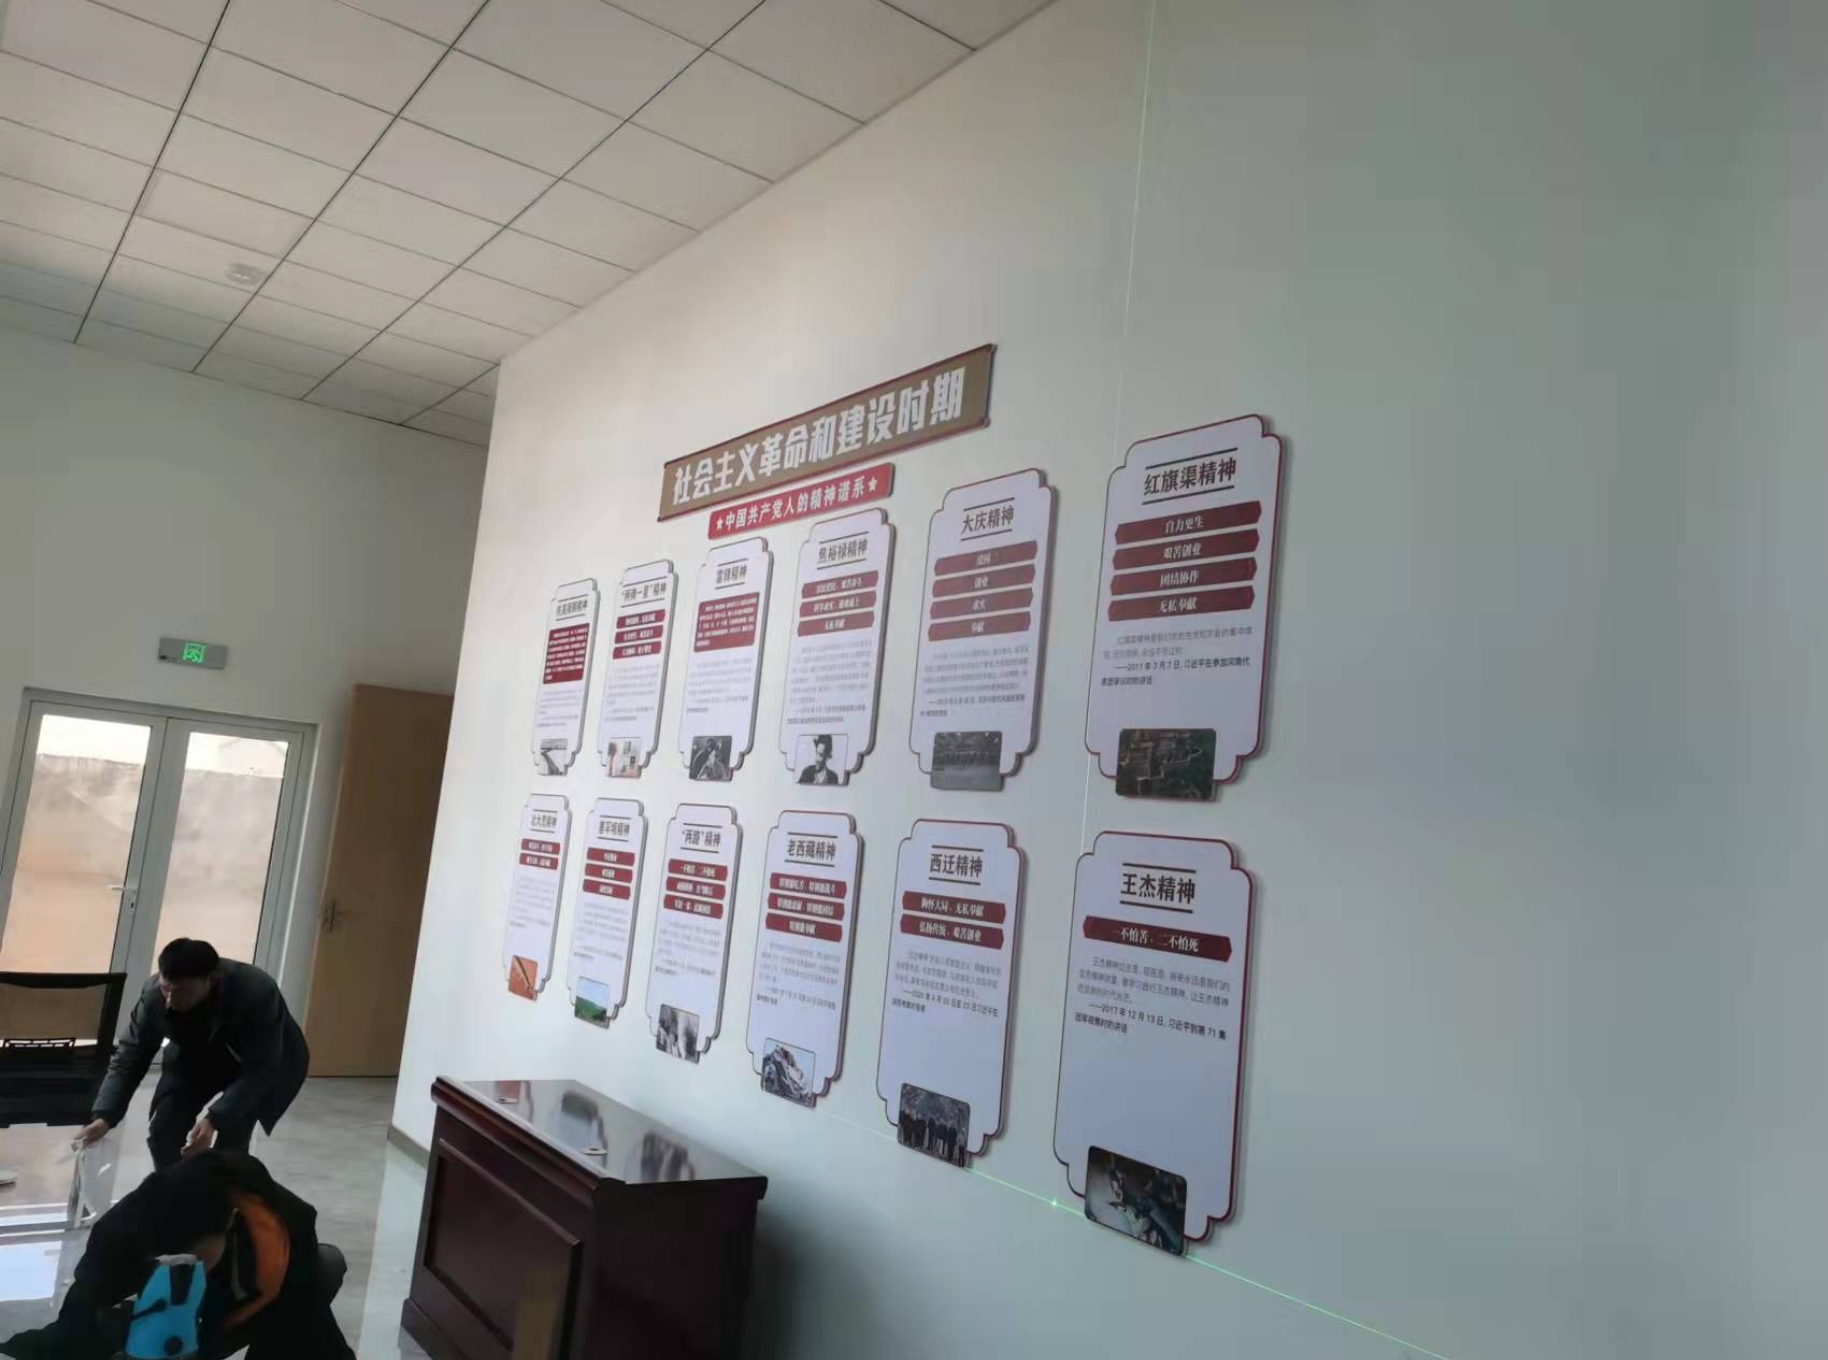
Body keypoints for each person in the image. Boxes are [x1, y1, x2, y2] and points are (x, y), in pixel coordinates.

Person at [1, 1150, 354, 1360]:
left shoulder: (284, 1229)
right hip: (146, 1321)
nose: (180, 1265)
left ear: (229, 1222)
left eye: (195, 1258)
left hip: (232, 1314)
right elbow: (79, 1313)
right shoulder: (122, 1230)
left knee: (325, 1267)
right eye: (167, 1256)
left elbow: (298, 1323)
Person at [78, 940, 309, 1171]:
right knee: (163, 1131)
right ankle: (175, 1188)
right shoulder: (154, 997)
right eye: (166, 989)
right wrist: (105, 1116)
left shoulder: (256, 992)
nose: (170, 1000)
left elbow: (261, 1069)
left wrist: (214, 1119)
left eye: (180, 992)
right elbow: (130, 1057)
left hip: (260, 1062)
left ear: (212, 980)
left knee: (231, 1140)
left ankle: (222, 1191)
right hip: (197, 1057)